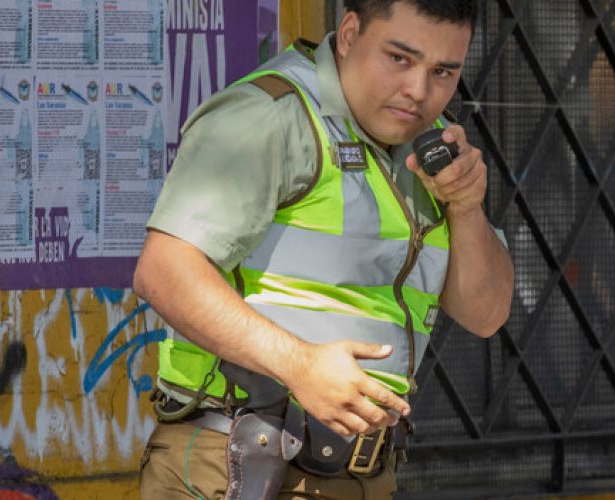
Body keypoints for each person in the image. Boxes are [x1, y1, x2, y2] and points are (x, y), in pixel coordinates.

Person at [133, 0, 514, 497]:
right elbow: (162, 271)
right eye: (399, 58)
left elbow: (486, 315)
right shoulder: (268, 115)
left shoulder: (432, 142)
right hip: (238, 464)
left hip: (361, 472)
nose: (419, 91)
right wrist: (299, 364)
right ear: (351, 33)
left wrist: (466, 208)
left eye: (442, 71)